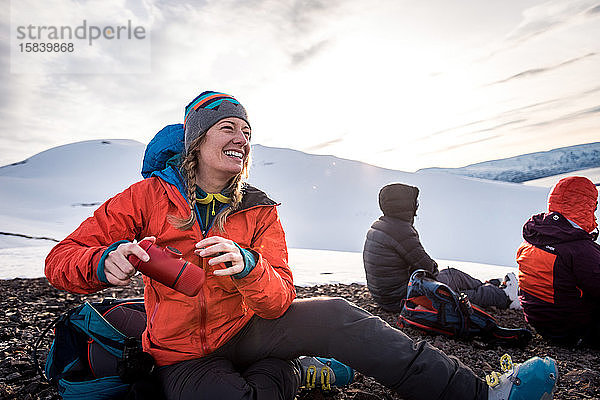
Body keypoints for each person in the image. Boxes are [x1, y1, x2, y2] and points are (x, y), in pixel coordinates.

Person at [46, 91, 557, 400]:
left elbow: (280, 297)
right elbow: (59, 262)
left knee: (335, 312)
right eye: (228, 127)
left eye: (246, 131)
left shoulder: (259, 209)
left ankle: (476, 393)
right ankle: (296, 374)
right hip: (182, 351)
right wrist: (100, 260)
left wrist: (247, 266)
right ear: (197, 142)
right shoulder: (146, 198)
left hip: (247, 328)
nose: (241, 138)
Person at [363, 183, 520, 313]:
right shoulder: (400, 231)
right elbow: (427, 267)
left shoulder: (380, 226)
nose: (417, 205)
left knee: (452, 278)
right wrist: (434, 271)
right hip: (402, 297)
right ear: (406, 205)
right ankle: (504, 297)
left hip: (387, 297)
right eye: (414, 202)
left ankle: (490, 287)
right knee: (451, 289)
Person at [517, 176, 600, 348]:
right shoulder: (579, 248)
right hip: (572, 330)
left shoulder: (535, 236)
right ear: (586, 207)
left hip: (540, 322)